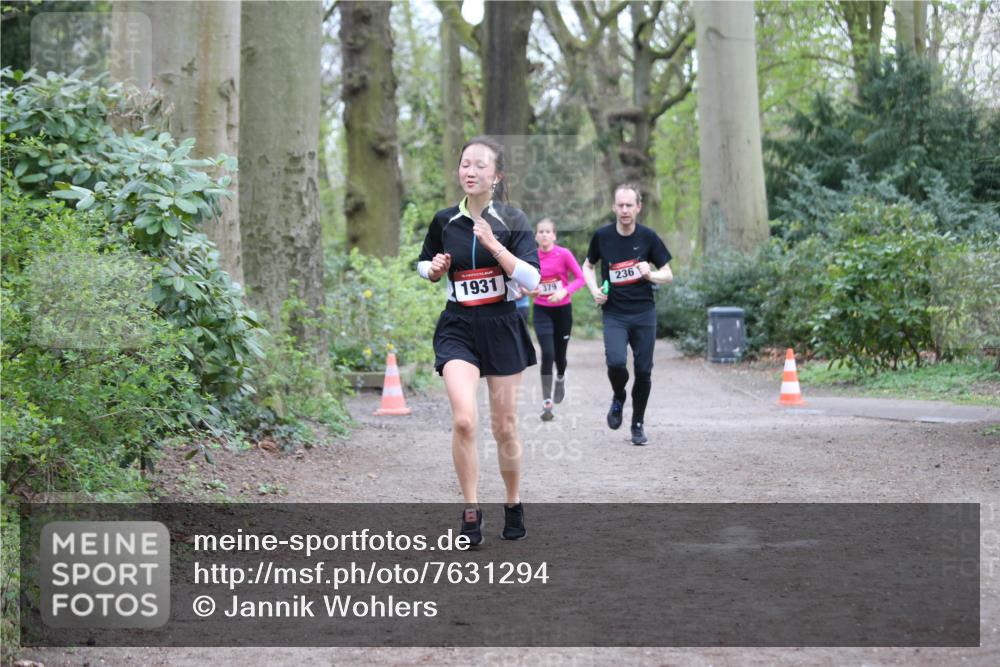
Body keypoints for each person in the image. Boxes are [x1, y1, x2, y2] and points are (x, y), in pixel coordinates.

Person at [416, 136, 540, 544]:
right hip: (459, 327)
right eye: (464, 164)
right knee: (464, 420)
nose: (469, 171)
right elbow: (424, 263)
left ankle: (513, 500)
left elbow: (533, 280)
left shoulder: (513, 220)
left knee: (504, 427)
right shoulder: (444, 220)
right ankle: (470, 511)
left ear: (497, 176)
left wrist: (492, 245)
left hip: (502, 326)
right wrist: (432, 270)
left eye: (479, 166)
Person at [582, 184, 672, 446]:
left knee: (644, 372)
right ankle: (619, 395)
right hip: (615, 314)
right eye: (620, 205)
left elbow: (668, 274)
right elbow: (587, 266)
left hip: (644, 313)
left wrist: (650, 274)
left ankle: (637, 424)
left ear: (638, 207)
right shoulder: (602, 237)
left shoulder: (648, 237)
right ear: (614, 207)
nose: (624, 210)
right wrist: (594, 290)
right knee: (616, 363)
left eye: (629, 205)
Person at [525, 218, 585, 421]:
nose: (543, 234)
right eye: (540, 231)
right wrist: (529, 291)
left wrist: (564, 292)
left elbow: (580, 278)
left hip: (562, 311)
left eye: (547, 231)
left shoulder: (564, 254)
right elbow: (525, 284)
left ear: (554, 235)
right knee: (547, 353)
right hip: (542, 310)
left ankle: (560, 376)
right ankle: (546, 402)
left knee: (560, 356)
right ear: (536, 236)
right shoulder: (531, 256)